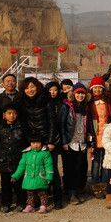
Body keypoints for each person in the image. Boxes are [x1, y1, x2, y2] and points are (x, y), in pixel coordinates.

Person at [60, 83, 93, 205]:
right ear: (73, 94)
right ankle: (71, 193)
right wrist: (64, 141)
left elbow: (88, 125)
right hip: (70, 142)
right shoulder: (67, 106)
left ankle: (76, 191)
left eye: (82, 93)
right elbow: (62, 125)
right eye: (78, 93)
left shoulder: (86, 108)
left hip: (81, 143)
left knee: (80, 168)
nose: (80, 96)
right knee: (70, 169)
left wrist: (89, 140)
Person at [11, 136, 54, 214]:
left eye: (38, 142)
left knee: (42, 193)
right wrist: (15, 176)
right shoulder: (26, 153)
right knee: (30, 193)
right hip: (29, 177)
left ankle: (43, 206)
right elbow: (21, 166)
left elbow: (49, 166)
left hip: (41, 177)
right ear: (30, 143)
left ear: (41, 143)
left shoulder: (45, 153)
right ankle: (30, 206)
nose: (35, 145)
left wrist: (49, 177)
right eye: (33, 143)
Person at [89, 77, 111, 197]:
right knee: (95, 163)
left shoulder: (108, 102)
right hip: (95, 136)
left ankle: (104, 186)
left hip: (107, 136)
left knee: (106, 163)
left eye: (100, 87)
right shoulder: (89, 103)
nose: (97, 90)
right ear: (91, 89)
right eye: (95, 88)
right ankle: (95, 186)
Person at [0, 104, 26, 212]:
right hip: (4, 160)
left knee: (19, 183)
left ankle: (21, 202)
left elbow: (25, 143)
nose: (12, 115)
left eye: (14, 113)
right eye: (9, 113)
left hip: (18, 160)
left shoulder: (22, 127)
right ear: (4, 115)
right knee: (5, 184)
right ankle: (6, 203)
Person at [44, 81, 64, 209]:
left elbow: (56, 125)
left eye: (55, 90)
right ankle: (44, 196)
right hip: (42, 141)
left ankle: (58, 198)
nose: (53, 92)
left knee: (53, 169)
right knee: (42, 169)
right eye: (50, 90)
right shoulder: (43, 103)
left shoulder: (61, 103)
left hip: (54, 141)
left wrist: (52, 141)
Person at [16, 77, 51, 146]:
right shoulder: (21, 102)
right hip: (29, 139)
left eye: (32, 87)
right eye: (26, 88)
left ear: (37, 87)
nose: (30, 90)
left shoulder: (46, 99)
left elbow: (52, 122)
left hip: (45, 138)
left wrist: (50, 141)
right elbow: (22, 123)